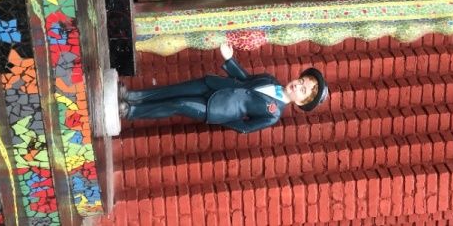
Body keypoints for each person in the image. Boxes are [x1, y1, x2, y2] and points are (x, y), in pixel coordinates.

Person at [117, 43, 328, 133]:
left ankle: (132, 111)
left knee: (179, 104)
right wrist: (229, 60)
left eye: (302, 90)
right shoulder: (270, 79)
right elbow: (245, 79)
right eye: (301, 81)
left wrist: (224, 117)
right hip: (215, 84)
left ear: (301, 102)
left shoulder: (273, 115)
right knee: (174, 90)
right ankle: (133, 95)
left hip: (216, 108)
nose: (297, 85)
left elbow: (245, 127)